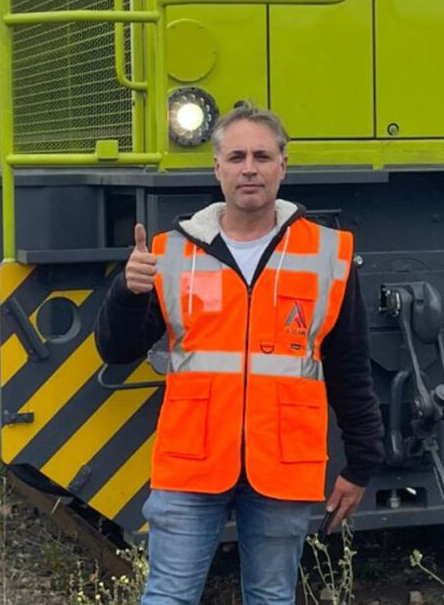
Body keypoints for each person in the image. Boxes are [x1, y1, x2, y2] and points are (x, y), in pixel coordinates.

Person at [95, 102, 383, 605]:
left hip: (281, 468)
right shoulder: (171, 251)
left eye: (261, 156)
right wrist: (127, 291)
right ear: (217, 169)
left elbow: (350, 368)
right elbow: (116, 350)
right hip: (191, 464)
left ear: (282, 166)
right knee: (168, 596)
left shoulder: (327, 254)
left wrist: (361, 463)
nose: (249, 168)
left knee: (270, 597)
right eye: (236, 157)